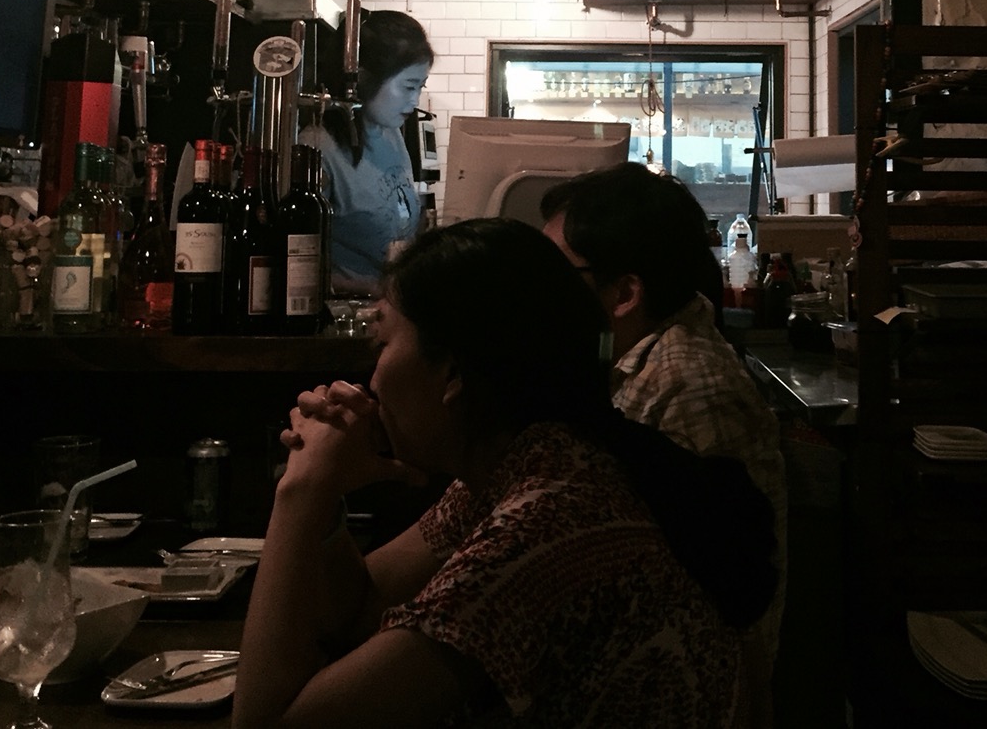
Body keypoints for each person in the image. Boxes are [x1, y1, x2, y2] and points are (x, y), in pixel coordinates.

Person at [232, 218, 777, 729]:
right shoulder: (526, 465)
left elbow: (267, 721)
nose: (370, 379)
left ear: (452, 373)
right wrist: (325, 503)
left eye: (384, 344)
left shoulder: (548, 522)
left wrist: (300, 491)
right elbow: (360, 609)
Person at [540, 164, 787, 729]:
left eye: (556, 274)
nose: (539, 291)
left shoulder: (690, 387)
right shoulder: (630, 362)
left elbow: (722, 616)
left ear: (625, 293)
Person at [298, 10, 433, 296]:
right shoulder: (317, 148)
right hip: (348, 311)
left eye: (420, 87)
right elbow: (296, 264)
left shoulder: (392, 133)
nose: (415, 100)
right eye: (408, 86)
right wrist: (373, 288)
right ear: (363, 79)